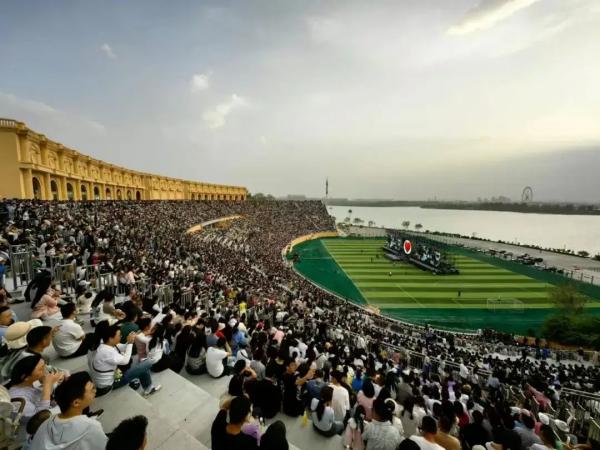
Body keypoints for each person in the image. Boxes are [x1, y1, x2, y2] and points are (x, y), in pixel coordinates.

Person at [30, 371, 108, 450]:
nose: (95, 391)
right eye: (92, 389)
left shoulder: (48, 422)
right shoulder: (92, 427)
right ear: (76, 403)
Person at [90, 323, 161, 397]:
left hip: (110, 378)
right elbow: (125, 361)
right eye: (119, 335)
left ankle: (149, 388)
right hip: (110, 385)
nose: (121, 336)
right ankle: (148, 388)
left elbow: (123, 347)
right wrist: (130, 343)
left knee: (142, 365)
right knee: (148, 362)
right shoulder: (107, 352)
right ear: (110, 338)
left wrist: (130, 340)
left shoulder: (105, 344)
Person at [8, 355, 63, 426]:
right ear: (26, 377)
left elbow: (48, 399)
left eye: (45, 366)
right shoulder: (18, 399)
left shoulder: (29, 384)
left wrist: (51, 383)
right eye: (41, 369)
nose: (46, 371)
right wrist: (47, 384)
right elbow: (40, 418)